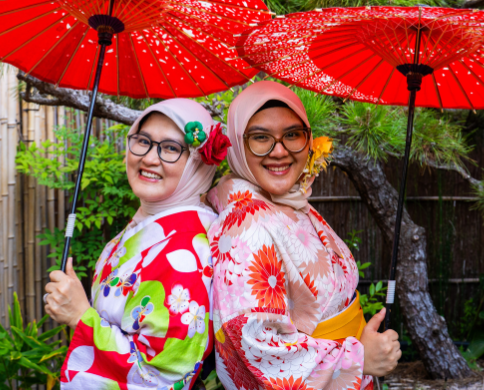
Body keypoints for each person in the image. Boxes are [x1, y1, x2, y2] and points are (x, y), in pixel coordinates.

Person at [206, 81, 401, 390]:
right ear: (237, 145)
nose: (280, 151)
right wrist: (356, 360)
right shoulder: (247, 226)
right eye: (260, 138)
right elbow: (254, 344)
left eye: (293, 135)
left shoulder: (290, 204)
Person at [45, 98, 231, 389]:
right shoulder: (152, 222)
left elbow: (163, 375)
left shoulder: (186, 248)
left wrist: (81, 316)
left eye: (170, 148)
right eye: (142, 141)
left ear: (197, 162)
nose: (149, 158)